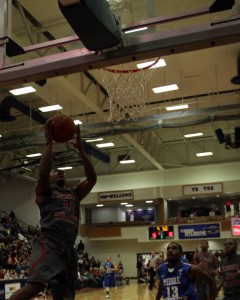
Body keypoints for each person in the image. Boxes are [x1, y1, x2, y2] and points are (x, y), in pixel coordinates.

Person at [9, 121, 97, 300]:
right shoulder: (44, 192)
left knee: (66, 297)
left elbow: (92, 178)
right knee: (34, 287)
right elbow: (42, 174)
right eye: (56, 171)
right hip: (49, 242)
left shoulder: (74, 194)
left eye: (62, 171)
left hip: (68, 247)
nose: (60, 172)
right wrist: (48, 142)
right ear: (49, 178)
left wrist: (80, 148)